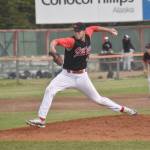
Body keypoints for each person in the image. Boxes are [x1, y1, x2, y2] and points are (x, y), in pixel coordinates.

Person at [26, 22, 137, 128]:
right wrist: (53, 50)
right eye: (75, 31)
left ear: (84, 31)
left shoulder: (88, 34)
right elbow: (54, 41)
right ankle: (41, 119)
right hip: (66, 76)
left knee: (98, 99)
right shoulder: (71, 41)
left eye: (79, 31)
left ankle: (125, 110)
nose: (76, 33)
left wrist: (108, 30)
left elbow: (94, 28)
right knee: (50, 89)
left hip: (82, 76)